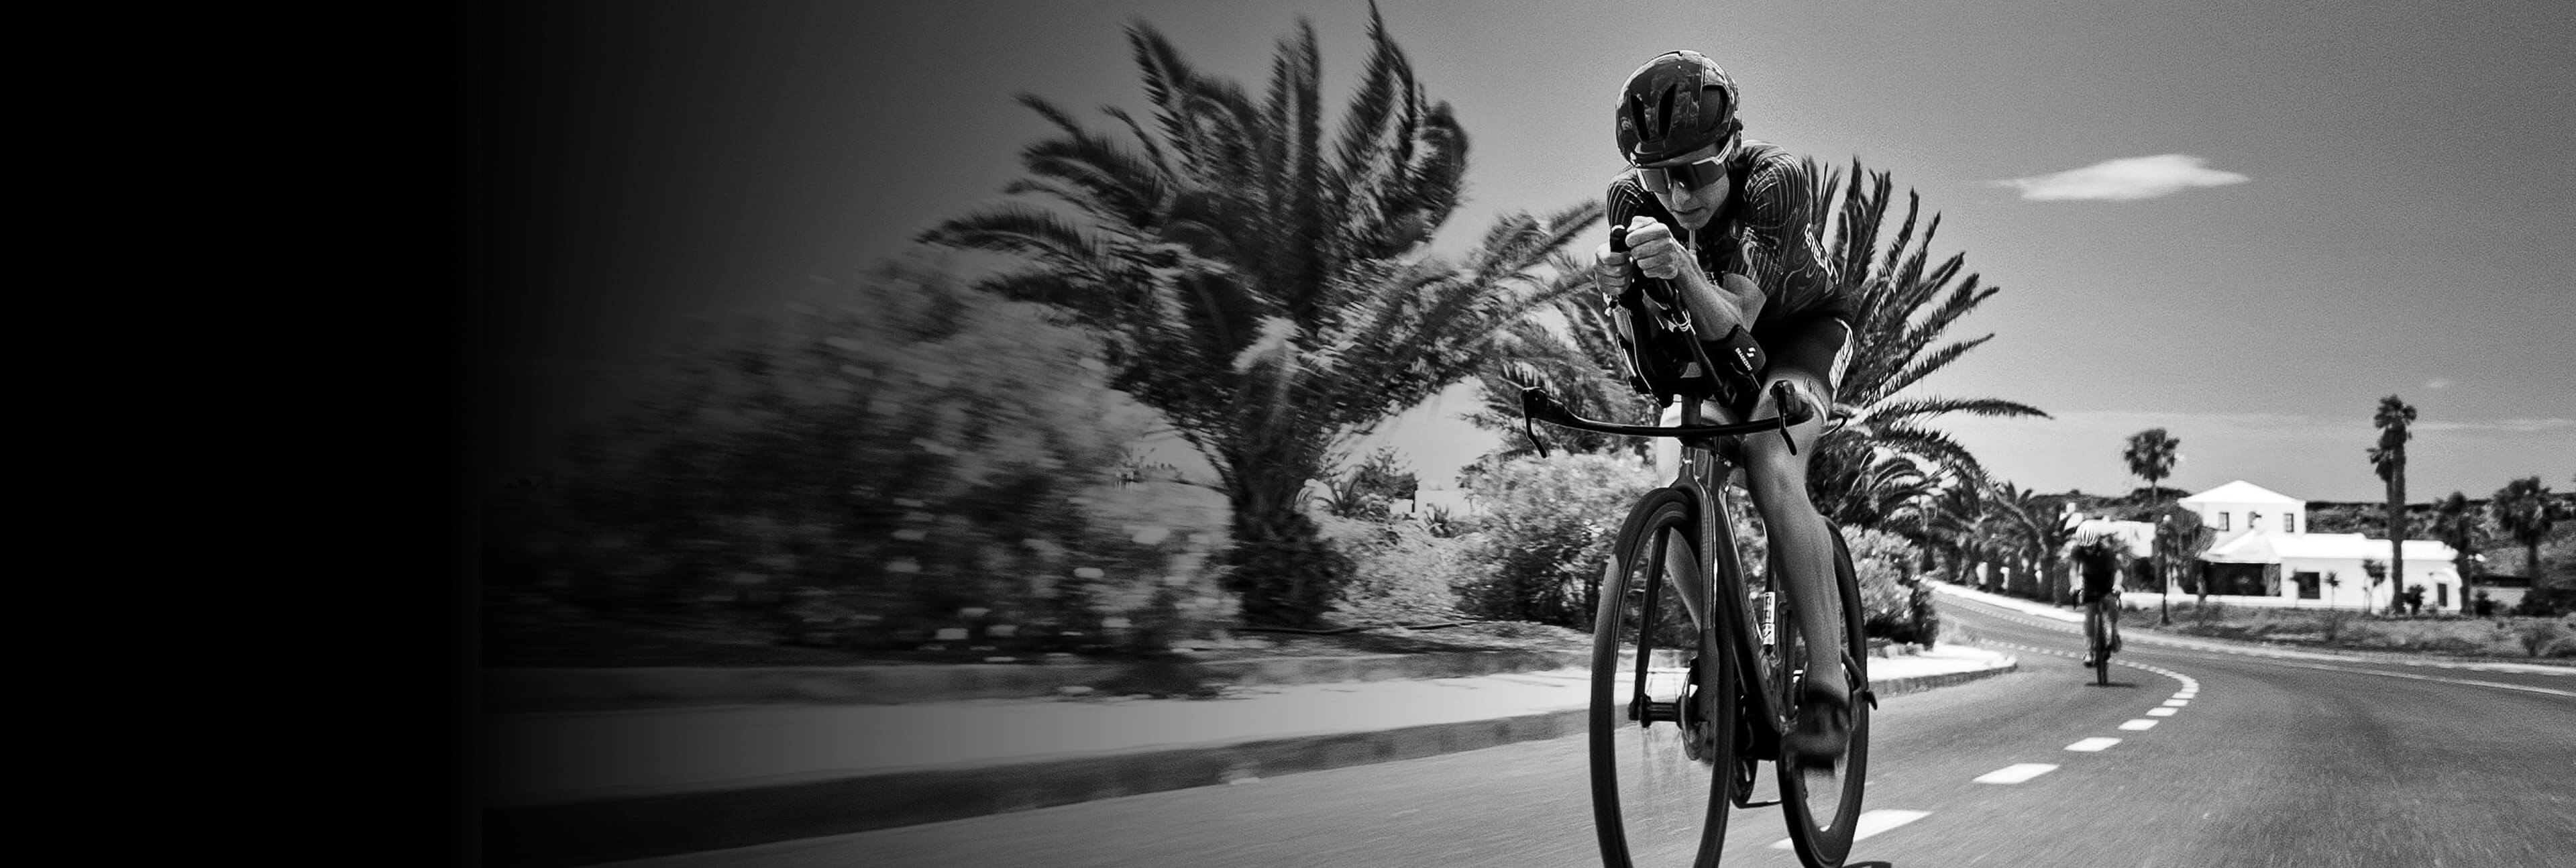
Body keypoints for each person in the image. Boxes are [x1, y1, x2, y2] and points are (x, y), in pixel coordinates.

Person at [1589, 50, 1858, 763]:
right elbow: (1649, 371)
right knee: (1677, 446)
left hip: (1800, 332)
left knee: (1772, 457)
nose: (1678, 196)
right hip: (1716, 339)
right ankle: (1722, 652)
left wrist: (1679, 267)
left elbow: (1739, 328)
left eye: (1696, 171)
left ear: (1730, 146)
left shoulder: (1776, 180)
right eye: (1658, 176)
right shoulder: (1630, 204)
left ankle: (1827, 687)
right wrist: (1622, 302)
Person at [2072, 533, 2125, 667]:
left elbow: (2118, 571)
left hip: (2106, 580)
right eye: (2085, 548)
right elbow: (2073, 570)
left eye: (2091, 547)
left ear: (2096, 543)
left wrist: (2117, 584)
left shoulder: (2107, 550)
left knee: (2111, 603)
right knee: (2089, 614)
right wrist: (2074, 585)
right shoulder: (2077, 550)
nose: (2088, 550)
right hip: (2089, 581)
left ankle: (2114, 633)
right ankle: (2089, 651)